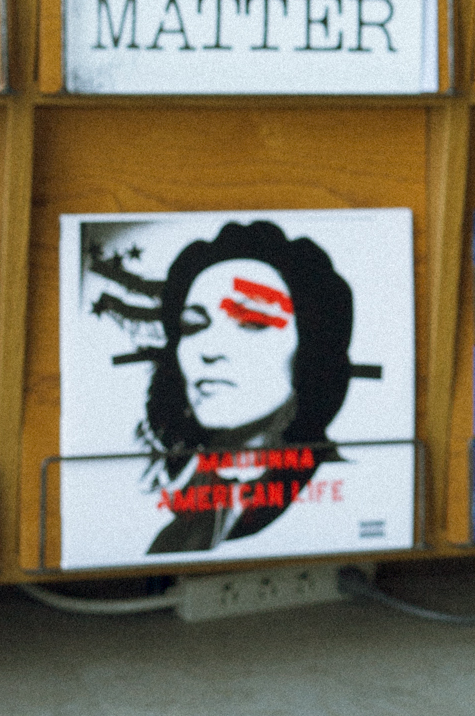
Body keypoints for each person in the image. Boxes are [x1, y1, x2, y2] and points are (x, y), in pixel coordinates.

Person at [137, 219, 356, 555]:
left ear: (310, 346)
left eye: (252, 321)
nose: (210, 350)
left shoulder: (346, 488)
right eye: (192, 325)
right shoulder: (178, 503)